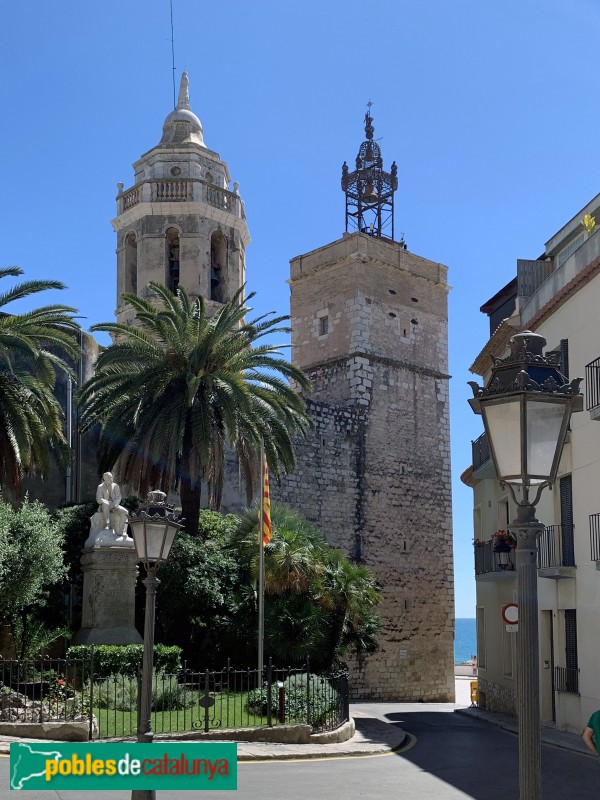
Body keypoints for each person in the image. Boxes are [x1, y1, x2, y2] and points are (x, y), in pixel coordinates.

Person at [96, 472, 128, 536]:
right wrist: (106, 502)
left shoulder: (116, 486)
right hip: (104, 506)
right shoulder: (100, 487)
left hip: (114, 505)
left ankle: (122, 531)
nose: (112, 479)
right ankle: (107, 525)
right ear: (105, 479)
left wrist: (115, 505)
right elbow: (99, 499)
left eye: (112, 477)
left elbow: (118, 497)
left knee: (125, 512)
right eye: (110, 478)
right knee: (105, 504)